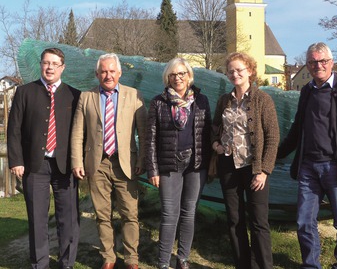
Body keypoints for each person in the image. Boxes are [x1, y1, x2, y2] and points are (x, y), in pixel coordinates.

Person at [277, 42, 337, 269]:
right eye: (313, 62)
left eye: (322, 61)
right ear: (308, 65)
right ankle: (311, 264)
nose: (318, 65)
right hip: (308, 167)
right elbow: (297, 128)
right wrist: (274, 154)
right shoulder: (307, 91)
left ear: (332, 63)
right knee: (304, 221)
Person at [71, 53, 147, 269]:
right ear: (97, 74)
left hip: (126, 164)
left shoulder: (134, 95)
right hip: (97, 163)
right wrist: (77, 162)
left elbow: (144, 132)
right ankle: (109, 257)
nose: (108, 75)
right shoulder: (86, 97)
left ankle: (132, 259)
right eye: (103, 71)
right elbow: (78, 133)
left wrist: (142, 158)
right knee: (102, 214)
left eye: (112, 71)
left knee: (130, 214)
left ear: (120, 73)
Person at [7, 47, 80, 269]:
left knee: (68, 218)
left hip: (65, 166)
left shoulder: (75, 95)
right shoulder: (25, 92)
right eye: (46, 63)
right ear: (40, 65)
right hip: (34, 166)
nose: (49, 67)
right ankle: (40, 264)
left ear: (62, 67)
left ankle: (66, 263)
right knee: (37, 219)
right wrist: (16, 160)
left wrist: (79, 163)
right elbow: (14, 129)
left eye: (54, 64)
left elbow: (80, 132)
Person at [211, 52, 279, 269]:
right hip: (228, 166)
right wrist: (216, 145)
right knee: (235, 220)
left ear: (250, 70)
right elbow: (213, 129)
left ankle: (262, 266)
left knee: (259, 222)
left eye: (239, 69)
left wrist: (264, 171)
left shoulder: (262, 99)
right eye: (231, 70)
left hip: (254, 168)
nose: (235, 74)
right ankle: (242, 265)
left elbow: (272, 136)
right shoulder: (224, 100)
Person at [146, 58, 211, 269]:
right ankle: (163, 262)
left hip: (195, 164)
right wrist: (153, 169)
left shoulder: (201, 101)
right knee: (169, 214)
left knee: (189, 212)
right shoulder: (158, 102)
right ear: (168, 78)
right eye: (173, 74)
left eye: (182, 73)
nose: (178, 78)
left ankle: (183, 258)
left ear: (189, 76)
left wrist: (208, 166)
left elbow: (207, 135)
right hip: (168, 165)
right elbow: (151, 139)